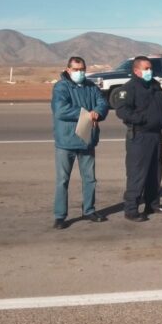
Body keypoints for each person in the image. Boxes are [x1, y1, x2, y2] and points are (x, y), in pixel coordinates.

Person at [51, 56, 109, 229]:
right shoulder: (61, 87)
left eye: (82, 69)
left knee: (90, 178)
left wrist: (98, 112)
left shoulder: (91, 86)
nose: (80, 72)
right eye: (76, 70)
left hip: (87, 139)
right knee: (63, 180)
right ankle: (60, 215)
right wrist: (86, 114)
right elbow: (60, 110)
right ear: (68, 70)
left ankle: (89, 210)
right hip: (66, 141)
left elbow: (103, 103)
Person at [115, 56, 162, 222]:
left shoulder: (155, 86)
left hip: (156, 135)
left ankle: (152, 204)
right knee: (137, 173)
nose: (150, 71)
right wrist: (142, 119)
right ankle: (131, 209)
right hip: (139, 136)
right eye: (146, 68)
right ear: (136, 71)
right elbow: (122, 110)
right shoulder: (129, 88)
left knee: (155, 172)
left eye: (150, 68)